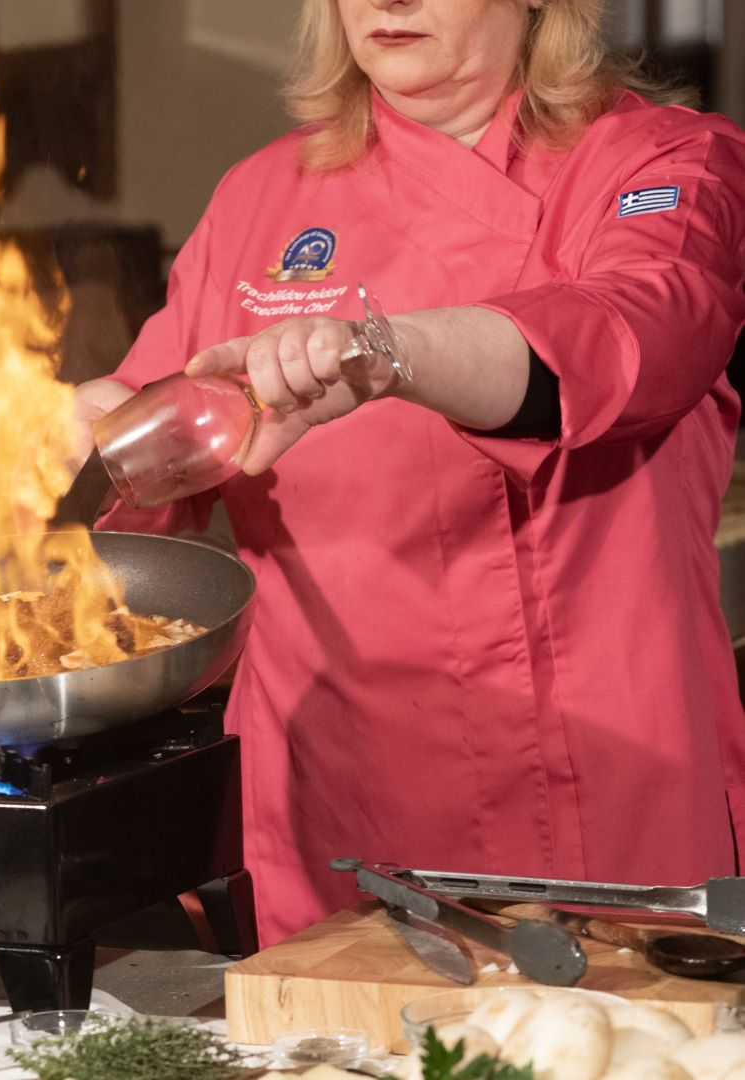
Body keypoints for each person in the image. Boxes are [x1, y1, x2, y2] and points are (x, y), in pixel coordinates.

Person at [74, 0, 745, 945]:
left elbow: (633, 335)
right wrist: (74, 442)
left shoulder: (665, 162)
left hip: (603, 803)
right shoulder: (262, 196)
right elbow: (146, 467)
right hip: (336, 818)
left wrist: (385, 355)